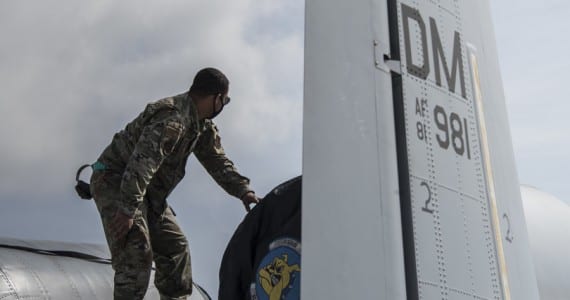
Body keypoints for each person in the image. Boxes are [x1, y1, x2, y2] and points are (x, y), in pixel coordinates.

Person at [89, 67, 260, 300]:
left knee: (175, 249)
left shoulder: (200, 126)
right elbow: (142, 164)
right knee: (136, 254)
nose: (223, 106)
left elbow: (217, 161)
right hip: (117, 181)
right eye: (225, 100)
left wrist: (244, 192)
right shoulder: (172, 118)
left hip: (148, 193)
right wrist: (127, 209)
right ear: (216, 97)